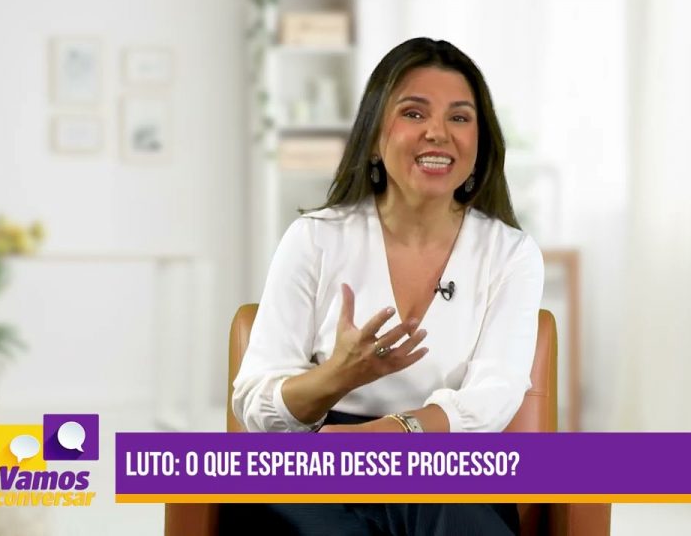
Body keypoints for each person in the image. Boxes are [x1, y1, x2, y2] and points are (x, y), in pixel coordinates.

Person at [229, 37, 544, 536]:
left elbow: (495, 394)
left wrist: (398, 433)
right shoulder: (314, 238)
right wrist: (336, 377)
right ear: (374, 136)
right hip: (321, 458)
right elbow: (255, 405)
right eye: (414, 113)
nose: (438, 132)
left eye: (460, 117)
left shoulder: (511, 253)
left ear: (481, 142)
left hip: (446, 462)